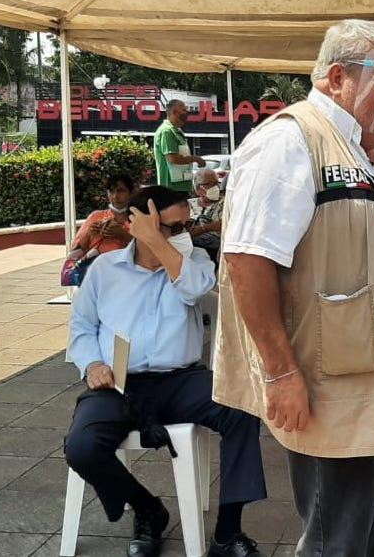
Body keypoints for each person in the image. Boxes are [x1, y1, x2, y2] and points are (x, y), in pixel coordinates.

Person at [214, 19, 374, 557]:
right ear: (336, 77)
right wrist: (280, 372)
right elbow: (247, 260)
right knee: (334, 544)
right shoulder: (290, 141)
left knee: (372, 540)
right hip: (340, 390)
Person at [64, 185, 265, 557]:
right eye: (171, 227)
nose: (183, 235)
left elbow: (194, 290)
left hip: (181, 379)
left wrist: (161, 244)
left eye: (184, 226)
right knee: (82, 447)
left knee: (244, 409)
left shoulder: (197, 262)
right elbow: (81, 327)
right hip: (118, 382)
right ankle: (148, 510)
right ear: (137, 224)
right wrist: (92, 363)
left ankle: (227, 533)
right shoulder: (105, 269)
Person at [72, 174, 135, 255]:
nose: (115, 196)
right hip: (93, 264)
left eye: (121, 191)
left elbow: (147, 250)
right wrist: (89, 234)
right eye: (111, 191)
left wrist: (123, 234)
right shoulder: (95, 216)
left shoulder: (139, 219)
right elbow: (76, 250)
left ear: (131, 193)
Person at [154, 99, 206, 192]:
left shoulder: (177, 131)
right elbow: (173, 159)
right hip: (171, 190)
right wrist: (196, 159)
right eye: (183, 110)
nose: (187, 112)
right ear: (174, 112)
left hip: (182, 187)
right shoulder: (167, 131)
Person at [188, 167, 224, 263]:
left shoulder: (225, 203)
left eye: (217, 183)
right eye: (210, 184)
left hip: (215, 250)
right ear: (198, 189)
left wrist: (204, 228)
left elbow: (226, 223)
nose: (215, 187)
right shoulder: (188, 204)